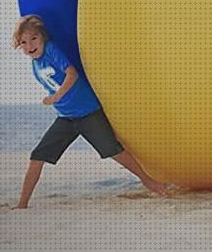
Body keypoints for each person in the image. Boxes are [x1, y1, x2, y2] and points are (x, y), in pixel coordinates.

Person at [12, 14, 170, 209]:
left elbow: (72, 73)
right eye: (24, 43)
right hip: (66, 118)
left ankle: (149, 181)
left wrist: (56, 97)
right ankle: (21, 204)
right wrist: (57, 100)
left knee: (113, 150)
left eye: (34, 38)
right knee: (37, 157)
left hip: (88, 113)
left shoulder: (51, 50)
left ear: (43, 37)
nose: (30, 45)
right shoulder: (35, 65)